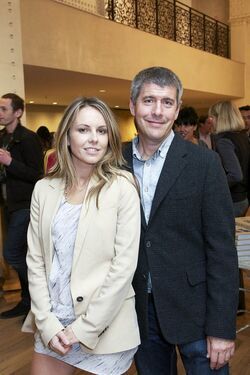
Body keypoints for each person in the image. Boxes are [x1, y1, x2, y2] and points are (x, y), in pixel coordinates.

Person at [123, 67, 239, 375]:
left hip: (197, 309)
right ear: (133, 105)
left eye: (167, 102)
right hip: (139, 310)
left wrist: (222, 327)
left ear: (177, 110)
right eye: (148, 101)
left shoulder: (204, 163)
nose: (157, 111)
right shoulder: (113, 162)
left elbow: (222, 250)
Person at [22, 97, 141, 375]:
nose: (94, 139)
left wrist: (85, 328)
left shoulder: (122, 187)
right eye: (83, 130)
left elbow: (123, 267)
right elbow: (36, 260)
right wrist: (47, 323)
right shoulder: (44, 188)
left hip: (105, 324)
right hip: (52, 322)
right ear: (66, 136)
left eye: (101, 131)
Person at [0, 93, 44, 319]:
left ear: (17, 112)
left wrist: (10, 163)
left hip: (25, 205)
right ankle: (27, 303)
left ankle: (40, 294)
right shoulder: (2, 137)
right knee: (23, 255)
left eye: (4, 109)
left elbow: (37, 175)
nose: (0, 112)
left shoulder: (27, 138)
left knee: (12, 254)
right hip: (8, 205)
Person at [209, 101, 250, 218]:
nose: (211, 121)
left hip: (232, 200)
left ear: (220, 118)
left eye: (212, 117)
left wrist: (214, 186)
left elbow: (236, 175)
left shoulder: (224, 141)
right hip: (242, 198)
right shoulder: (242, 137)